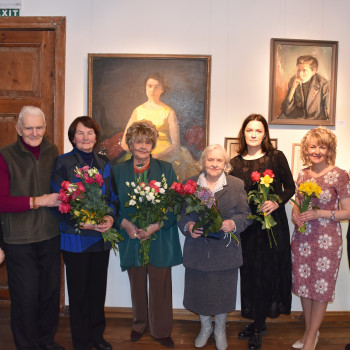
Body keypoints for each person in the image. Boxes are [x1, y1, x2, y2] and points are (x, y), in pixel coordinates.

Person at [112, 120, 182, 348]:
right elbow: (113, 204)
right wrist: (126, 225)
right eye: (138, 141)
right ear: (130, 144)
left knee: (161, 284)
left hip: (159, 236)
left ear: (153, 144)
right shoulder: (118, 171)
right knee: (137, 283)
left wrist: (155, 225)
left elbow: (174, 204)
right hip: (132, 236)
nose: (143, 146)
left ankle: (161, 330)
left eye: (147, 141)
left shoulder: (166, 169)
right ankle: (139, 324)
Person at [51, 116, 118, 350]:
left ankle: (97, 337)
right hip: (75, 239)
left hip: (100, 238)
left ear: (96, 137)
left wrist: (110, 217)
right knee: (78, 293)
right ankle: (81, 341)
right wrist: (82, 222)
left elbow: (113, 198)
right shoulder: (63, 163)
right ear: (73, 137)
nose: (86, 137)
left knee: (97, 291)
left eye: (90, 133)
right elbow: (59, 201)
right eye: (80, 133)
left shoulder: (104, 163)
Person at [0, 105, 63, 350]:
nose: (34, 133)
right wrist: (38, 201)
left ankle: (46, 341)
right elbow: (2, 200)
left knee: (49, 295)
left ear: (45, 128)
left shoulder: (53, 151)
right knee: (25, 299)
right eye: (29, 128)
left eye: (39, 127)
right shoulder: (5, 155)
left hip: (49, 234)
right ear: (18, 129)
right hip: (19, 239)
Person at [230, 114, 295, 350]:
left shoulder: (276, 157)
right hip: (248, 227)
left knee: (266, 273)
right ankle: (257, 322)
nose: (254, 134)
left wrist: (276, 201)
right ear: (243, 133)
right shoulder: (235, 162)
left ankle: (259, 326)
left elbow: (291, 186)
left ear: (265, 134)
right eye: (250, 130)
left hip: (271, 225)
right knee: (249, 273)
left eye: (259, 130)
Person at [179, 144, 251, 350]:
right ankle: (205, 328)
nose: (214, 164)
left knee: (222, 292)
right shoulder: (190, 183)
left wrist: (233, 224)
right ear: (203, 162)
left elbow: (246, 216)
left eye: (219, 160)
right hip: (198, 249)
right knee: (200, 291)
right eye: (210, 159)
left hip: (225, 251)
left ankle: (219, 329)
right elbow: (182, 214)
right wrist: (188, 225)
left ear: (226, 164)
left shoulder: (236, 185)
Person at [291, 127, 350, 350]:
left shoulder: (340, 174)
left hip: (327, 241)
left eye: (322, 146)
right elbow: (297, 204)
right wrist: (295, 215)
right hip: (302, 239)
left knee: (321, 288)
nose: (317, 150)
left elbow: (348, 211)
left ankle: (311, 337)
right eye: (313, 146)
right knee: (305, 287)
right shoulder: (303, 174)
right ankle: (309, 334)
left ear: (329, 149)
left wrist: (319, 213)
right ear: (306, 150)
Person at [120, 72, 199, 182]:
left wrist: (156, 157)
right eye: (149, 86)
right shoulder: (138, 111)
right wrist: (140, 155)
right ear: (145, 88)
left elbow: (175, 144)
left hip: (164, 155)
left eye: (157, 87)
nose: (152, 90)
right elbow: (124, 142)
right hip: (139, 154)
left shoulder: (169, 112)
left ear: (162, 89)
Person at [280, 55, 330, 120]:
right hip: (297, 121)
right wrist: (293, 89)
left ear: (314, 71)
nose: (300, 74)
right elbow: (285, 110)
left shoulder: (324, 85)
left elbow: (328, 114)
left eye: (304, 71)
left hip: (315, 122)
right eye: (298, 70)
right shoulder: (293, 80)